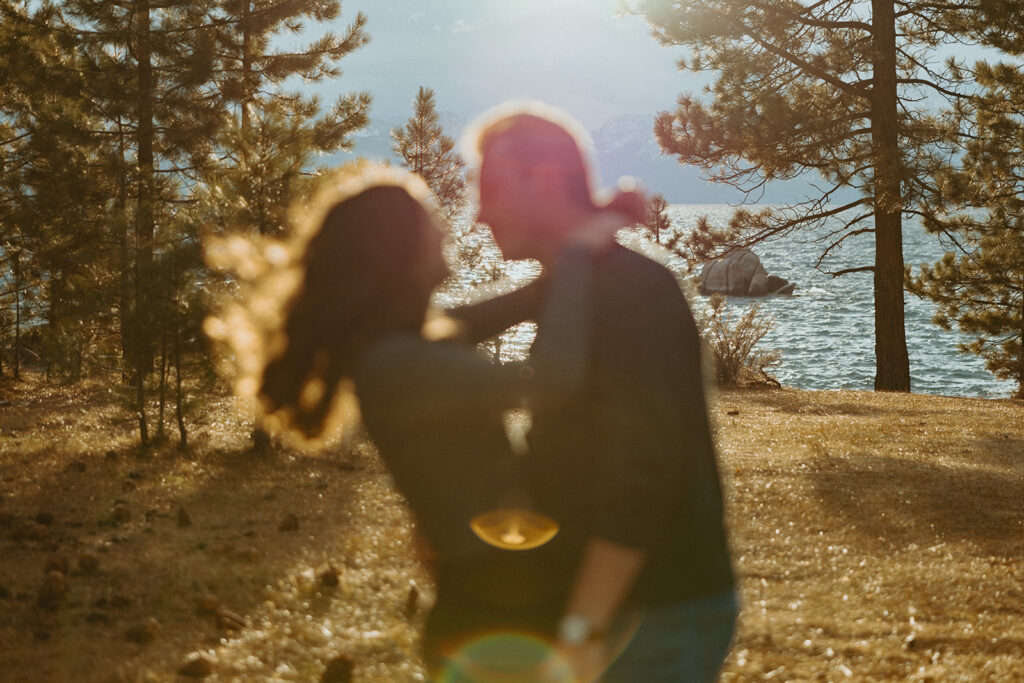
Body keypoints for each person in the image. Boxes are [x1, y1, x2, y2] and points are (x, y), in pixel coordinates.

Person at [233, 166, 633, 680]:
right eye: (429, 222)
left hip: (494, 593)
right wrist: (577, 254)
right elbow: (555, 381)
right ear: (396, 253)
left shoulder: (390, 349)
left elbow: (466, 323)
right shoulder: (398, 366)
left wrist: (545, 287)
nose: (444, 230)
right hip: (495, 609)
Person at [449, 102, 738, 682]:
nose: (479, 215)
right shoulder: (577, 285)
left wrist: (581, 629)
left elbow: (643, 469)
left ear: (543, 178)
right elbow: (442, 335)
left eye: (491, 188)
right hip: (618, 610)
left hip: (650, 614)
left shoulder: (630, 292)